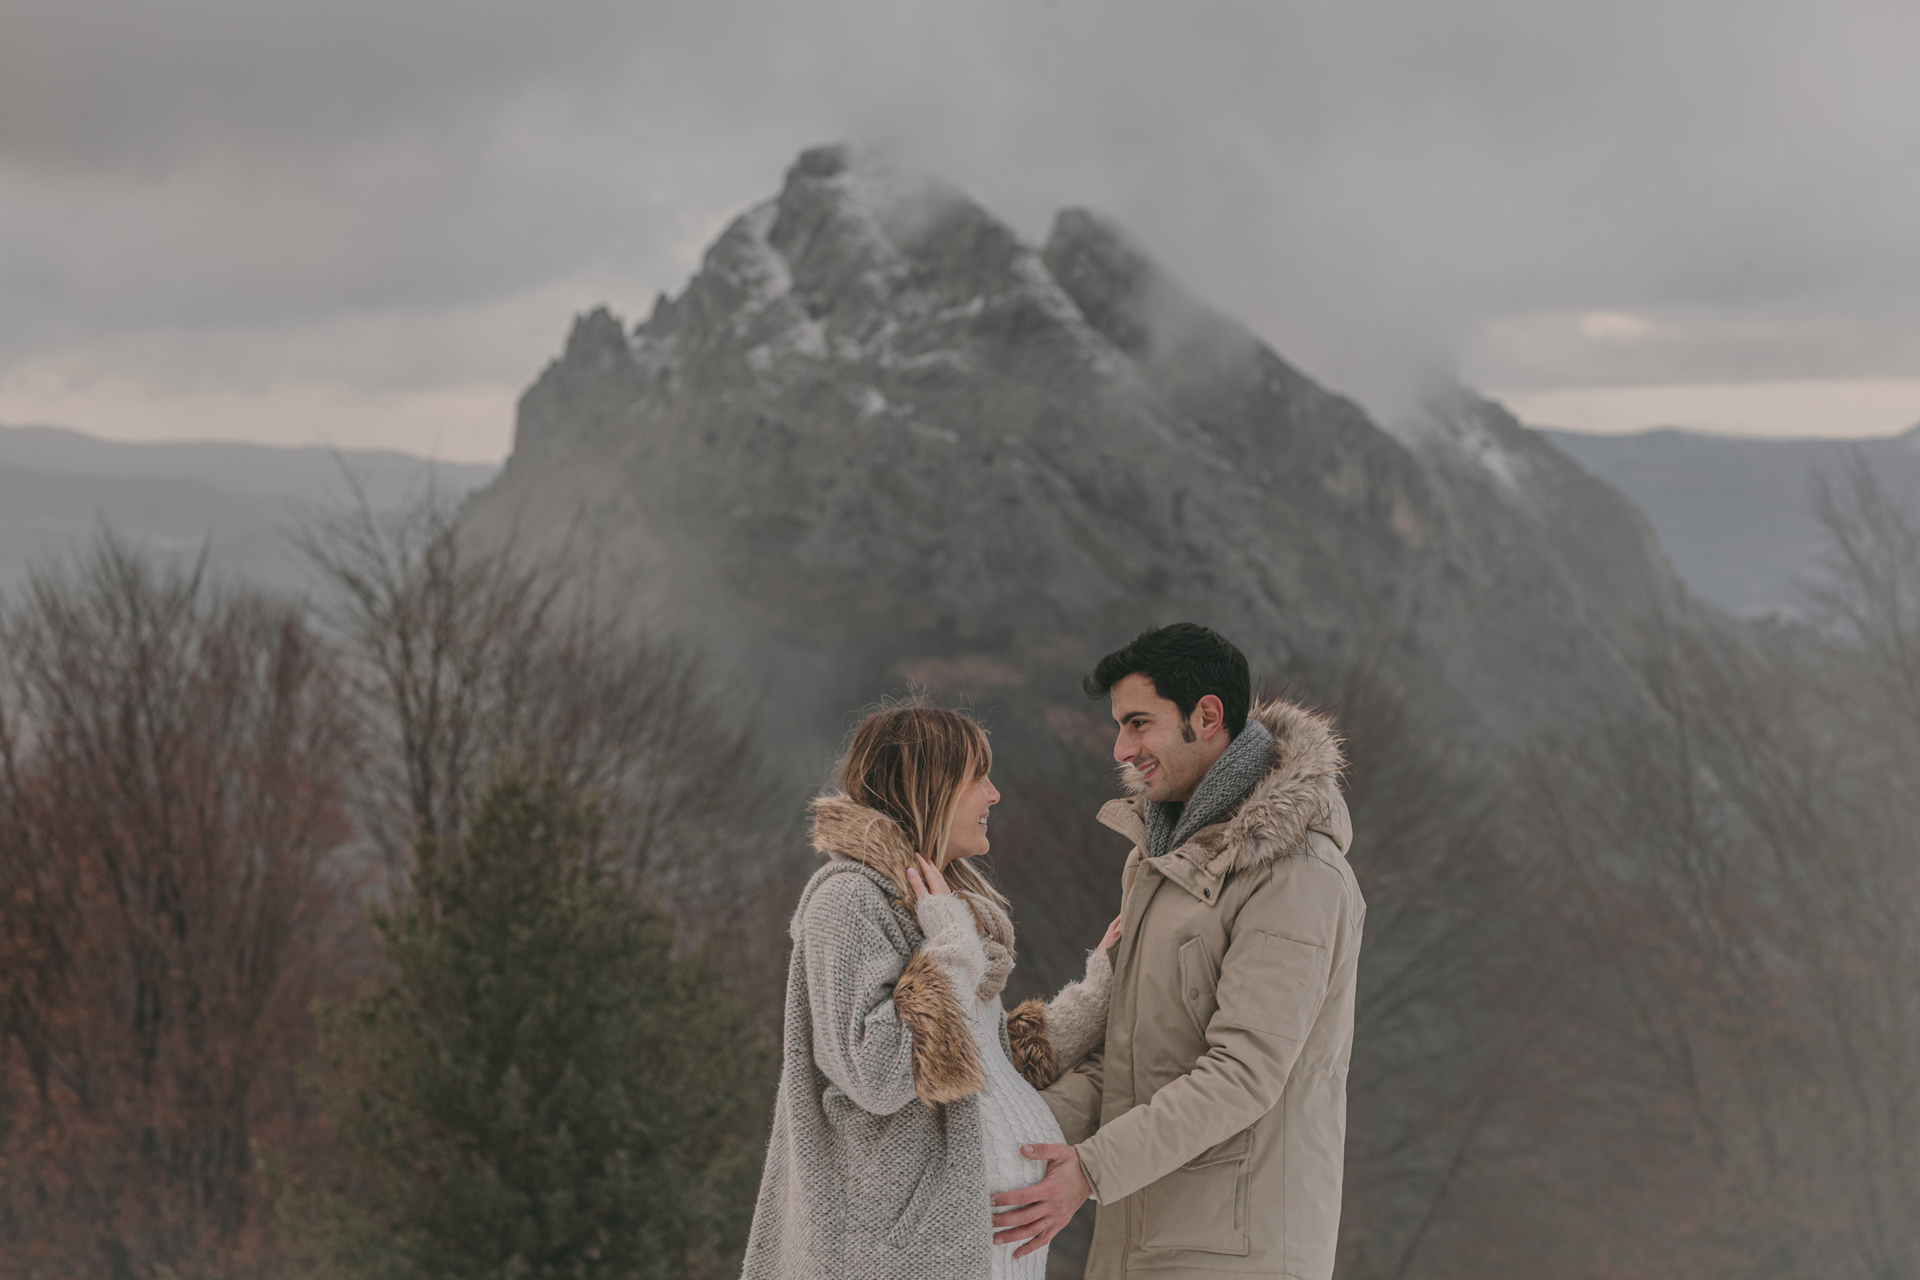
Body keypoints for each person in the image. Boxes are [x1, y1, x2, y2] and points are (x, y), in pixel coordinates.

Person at [991, 623, 1365, 1280]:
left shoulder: (1295, 874)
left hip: (1236, 1255)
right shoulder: (1162, 865)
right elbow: (1130, 1067)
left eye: (1139, 723)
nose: (1121, 747)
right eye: (1119, 725)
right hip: (1143, 1239)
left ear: (1207, 716)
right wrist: (1000, 1130)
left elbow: (1243, 1074)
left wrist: (1090, 1169)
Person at [741, 701, 1121, 1280]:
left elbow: (981, 1061)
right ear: (929, 787)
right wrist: (949, 948)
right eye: (977, 778)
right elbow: (878, 1073)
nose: (994, 795)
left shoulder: (937, 908)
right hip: (899, 1256)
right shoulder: (847, 901)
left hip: (978, 1253)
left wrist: (1100, 989)